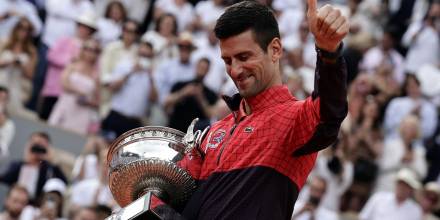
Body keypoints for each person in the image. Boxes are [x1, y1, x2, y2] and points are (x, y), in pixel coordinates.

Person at [176, 0, 349, 219]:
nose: (235, 70)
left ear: (275, 50)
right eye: (227, 60)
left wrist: (329, 53)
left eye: (244, 57)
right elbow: (178, 198)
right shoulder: (214, 132)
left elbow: (330, 111)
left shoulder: (295, 119)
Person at [101, 39, 158, 139]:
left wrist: (151, 78)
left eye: (147, 56)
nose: (144, 58)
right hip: (116, 116)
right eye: (142, 54)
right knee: (104, 147)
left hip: (135, 123)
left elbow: (153, 99)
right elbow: (112, 87)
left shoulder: (153, 74)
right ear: (137, 52)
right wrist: (130, 72)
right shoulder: (125, 65)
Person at [48, 39, 100, 135]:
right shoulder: (72, 65)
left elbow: (97, 100)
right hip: (66, 106)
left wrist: (88, 101)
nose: (89, 53)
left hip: (82, 113)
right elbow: (64, 84)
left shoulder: (96, 74)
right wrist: (79, 92)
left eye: (94, 50)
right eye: (87, 49)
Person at [0, 132, 68, 203]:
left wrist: (52, 162)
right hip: (15, 207)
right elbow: (4, 179)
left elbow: (63, 183)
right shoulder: (18, 165)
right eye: (35, 145)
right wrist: (27, 161)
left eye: (42, 146)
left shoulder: (50, 169)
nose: (38, 149)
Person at [164, 57, 218, 132]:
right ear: (195, 67)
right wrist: (183, 93)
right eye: (200, 67)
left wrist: (201, 99)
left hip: (195, 134)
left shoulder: (211, 93)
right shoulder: (180, 85)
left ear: (208, 70)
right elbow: (166, 102)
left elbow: (213, 115)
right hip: (175, 129)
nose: (201, 70)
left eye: (204, 68)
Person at [0, 17, 37, 117]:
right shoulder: (4, 43)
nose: (23, 32)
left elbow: (30, 75)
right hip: (2, 78)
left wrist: (22, 65)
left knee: (11, 113)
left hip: (16, 84)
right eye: (20, 28)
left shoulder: (31, 51)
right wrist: (9, 62)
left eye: (27, 30)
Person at [359, 168, 423, 220]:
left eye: (406, 186)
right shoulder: (378, 198)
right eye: (400, 184)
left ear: (411, 190)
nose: (402, 188)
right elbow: (363, 217)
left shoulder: (415, 210)